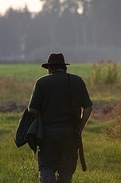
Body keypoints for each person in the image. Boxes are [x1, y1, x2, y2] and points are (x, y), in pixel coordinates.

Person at [28, 52, 93, 183]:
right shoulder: (77, 81)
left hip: (48, 134)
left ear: (49, 69)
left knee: (46, 167)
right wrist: (80, 127)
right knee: (66, 171)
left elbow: (32, 109)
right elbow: (88, 108)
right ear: (65, 68)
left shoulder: (41, 82)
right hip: (71, 133)